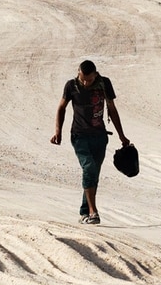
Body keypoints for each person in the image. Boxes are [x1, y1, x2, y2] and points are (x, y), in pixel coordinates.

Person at [51, 58, 129, 224]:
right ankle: (93, 212)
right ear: (78, 72)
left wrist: (122, 135)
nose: (86, 83)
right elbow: (61, 108)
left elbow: (112, 110)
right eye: (83, 79)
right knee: (89, 167)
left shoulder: (104, 83)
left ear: (96, 74)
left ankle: (84, 212)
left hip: (100, 136)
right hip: (79, 136)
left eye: (89, 79)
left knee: (93, 174)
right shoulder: (71, 86)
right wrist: (58, 132)